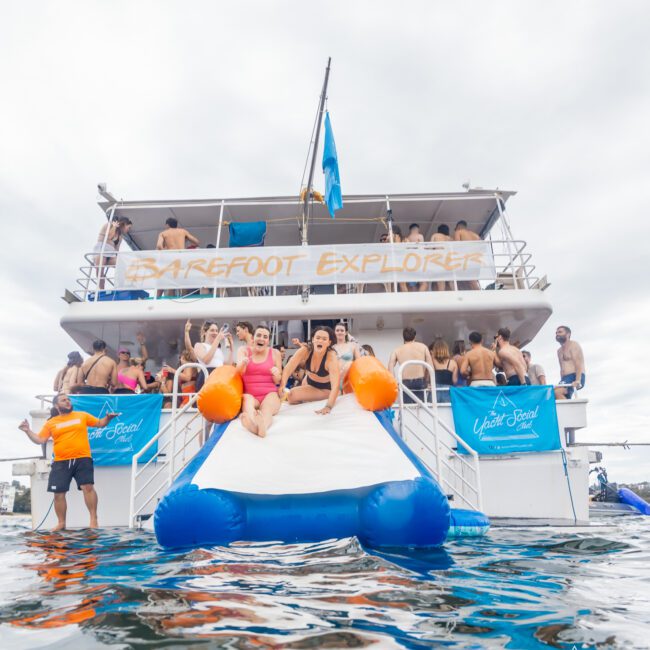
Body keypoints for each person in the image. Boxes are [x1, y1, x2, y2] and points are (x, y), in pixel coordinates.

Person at [18, 393, 119, 530]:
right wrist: (27, 431)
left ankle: (93, 520)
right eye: (63, 400)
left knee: (87, 487)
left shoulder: (82, 415)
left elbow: (100, 424)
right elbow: (40, 440)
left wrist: (108, 418)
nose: (67, 402)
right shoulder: (51, 423)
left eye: (68, 399)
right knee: (58, 493)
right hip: (61, 462)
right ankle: (61, 523)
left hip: (82, 458)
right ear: (56, 405)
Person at [279, 326, 340, 414]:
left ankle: (310, 398)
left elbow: (336, 385)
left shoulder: (331, 358)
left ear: (329, 342)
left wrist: (328, 406)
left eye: (324, 339)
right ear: (313, 339)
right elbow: (289, 367)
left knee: (292, 395)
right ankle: (308, 397)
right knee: (291, 396)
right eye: (318, 338)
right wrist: (283, 385)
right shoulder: (305, 350)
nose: (320, 341)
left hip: (326, 390)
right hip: (309, 384)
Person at [236, 326, 283, 437]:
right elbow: (238, 372)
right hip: (251, 394)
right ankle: (254, 424)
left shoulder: (275, 353)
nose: (261, 338)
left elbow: (278, 380)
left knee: (266, 408)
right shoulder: (243, 351)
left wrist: (276, 373)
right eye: (259, 335)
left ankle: (262, 427)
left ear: (268, 341)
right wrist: (243, 363)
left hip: (269, 393)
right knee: (247, 399)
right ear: (253, 338)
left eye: (265, 337)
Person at [388, 327, 434, 403]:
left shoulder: (397, 350)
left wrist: (394, 383)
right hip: (420, 382)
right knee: (421, 407)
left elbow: (390, 366)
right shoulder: (423, 347)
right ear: (414, 336)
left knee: (406, 408)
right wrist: (428, 381)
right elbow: (430, 367)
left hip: (405, 383)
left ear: (403, 337)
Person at [191, 321, 234, 391]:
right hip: (207, 376)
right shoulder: (199, 345)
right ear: (204, 332)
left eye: (217, 331)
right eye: (212, 330)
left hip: (219, 377)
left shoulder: (218, 349)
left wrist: (231, 350)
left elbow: (228, 365)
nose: (215, 333)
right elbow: (206, 360)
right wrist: (218, 339)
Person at [93, 216, 132, 290]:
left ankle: (121, 286)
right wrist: (114, 227)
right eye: (128, 227)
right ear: (124, 224)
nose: (128, 230)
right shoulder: (108, 225)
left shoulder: (120, 237)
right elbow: (110, 236)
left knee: (122, 265)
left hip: (111, 254)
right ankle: (101, 290)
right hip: (101, 250)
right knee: (100, 272)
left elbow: (117, 250)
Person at [554, 325, 586, 399]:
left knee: (556, 392)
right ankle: (568, 406)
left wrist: (578, 380)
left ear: (568, 334)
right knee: (551, 393)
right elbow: (562, 369)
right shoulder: (559, 351)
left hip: (575, 375)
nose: (557, 334)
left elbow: (578, 363)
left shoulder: (573, 345)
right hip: (565, 379)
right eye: (556, 333)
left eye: (560, 332)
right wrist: (562, 380)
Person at [454, 220, 481, 290]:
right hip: (477, 260)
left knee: (467, 281)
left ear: (458, 227)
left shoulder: (459, 232)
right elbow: (481, 248)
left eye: (455, 228)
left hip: (467, 259)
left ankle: (480, 296)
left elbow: (457, 247)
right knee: (473, 281)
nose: (455, 230)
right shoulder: (476, 235)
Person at [429, 338, 458, 402]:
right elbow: (455, 380)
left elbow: (428, 377)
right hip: (448, 391)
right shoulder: (453, 363)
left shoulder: (432, 361)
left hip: (435, 390)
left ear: (435, 350)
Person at [333, 322, 360, 389]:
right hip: (336, 380)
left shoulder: (353, 345)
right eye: (337, 330)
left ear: (346, 333)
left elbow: (359, 362)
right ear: (335, 332)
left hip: (348, 379)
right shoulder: (332, 348)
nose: (339, 332)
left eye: (342, 330)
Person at [430, 224, 452, 291]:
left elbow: (430, 248)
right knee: (451, 281)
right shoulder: (451, 239)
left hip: (439, 259)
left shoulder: (435, 235)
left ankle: (442, 296)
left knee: (441, 281)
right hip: (449, 260)